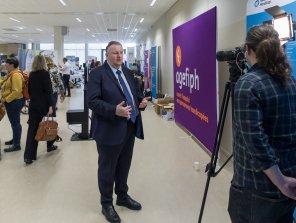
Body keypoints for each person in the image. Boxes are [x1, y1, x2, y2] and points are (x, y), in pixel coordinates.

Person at [228, 25, 296, 223]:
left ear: (248, 50)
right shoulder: (291, 82)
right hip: (288, 186)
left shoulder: (248, 84)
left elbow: (257, 144)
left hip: (256, 189)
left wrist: (281, 183)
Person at [87, 41, 150, 223]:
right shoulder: (97, 74)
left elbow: (134, 93)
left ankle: (122, 195)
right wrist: (114, 110)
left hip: (129, 127)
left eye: (121, 52)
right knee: (107, 168)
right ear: (107, 55)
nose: (119, 56)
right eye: (114, 53)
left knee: (124, 165)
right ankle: (106, 203)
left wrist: (141, 102)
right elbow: (92, 101)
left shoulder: (128, 72)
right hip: (109, 129)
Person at [23, 55, 54, 165]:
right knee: (48, 125)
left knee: (32, 129)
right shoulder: (45, 74)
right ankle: (50, 145)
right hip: (44, 105)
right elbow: (48, 91)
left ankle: (28, 156)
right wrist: (51, 106)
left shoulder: (31, 74)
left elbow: (30, 90)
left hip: (33, 105)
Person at [0, 57, 25, 152]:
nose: (5, 65)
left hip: (14, 102)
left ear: (12, 65)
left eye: (6, 63)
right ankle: (15, 139)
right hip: (13, 102)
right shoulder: (11, 74)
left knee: (15, 123)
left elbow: (17, 91)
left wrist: (6, 100)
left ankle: (16, 144)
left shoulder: (16, 75)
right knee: (14, 122)